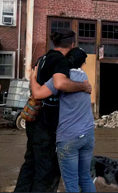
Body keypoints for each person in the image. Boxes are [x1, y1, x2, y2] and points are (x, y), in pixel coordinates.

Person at [14, 30, 92, 192]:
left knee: (30, 163)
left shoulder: (42, 58)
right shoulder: (61, 62)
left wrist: (33, 79)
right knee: (47, 170)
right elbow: (60, 84)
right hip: (48, 125)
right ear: (71, 45)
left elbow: (36, 85)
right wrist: (83, 86)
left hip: (34, 121)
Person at [30, 47, 96, 193]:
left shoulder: (60, 80)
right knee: (85, 177)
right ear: (82, 63)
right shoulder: (84, 77)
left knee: (71, 182)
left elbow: (37, 94)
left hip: (69, 137)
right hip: (88, 135)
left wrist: (33, 77)